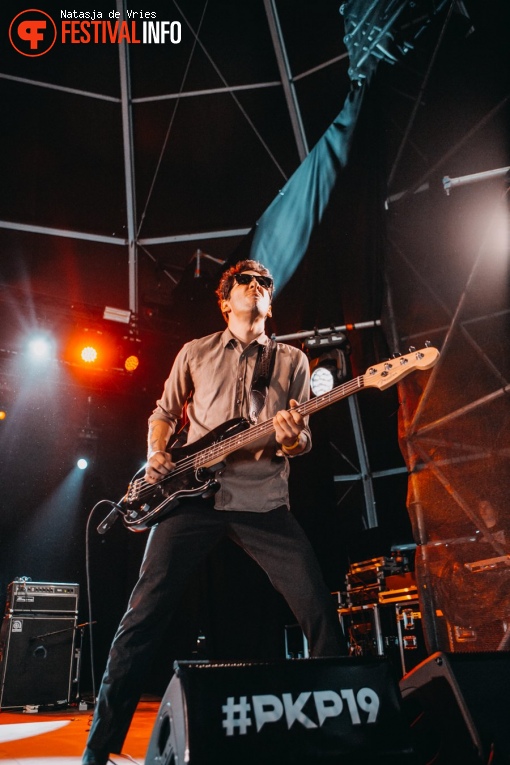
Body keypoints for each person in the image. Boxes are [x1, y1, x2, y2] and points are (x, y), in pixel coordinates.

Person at [83, 260, 344, 765]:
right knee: (142, 618)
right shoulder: (195, 352)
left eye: (265, 284)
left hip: (263, 502)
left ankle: (337, 739)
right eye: (247, 282)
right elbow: (163, 412)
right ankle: (98, 748)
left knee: (318, 610)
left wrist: (293, 439)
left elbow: (301, 437)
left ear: (271, 301)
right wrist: (157, 450)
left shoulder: (291, 361)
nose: (258, 288)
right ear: (226, 301)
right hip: (191, 499)